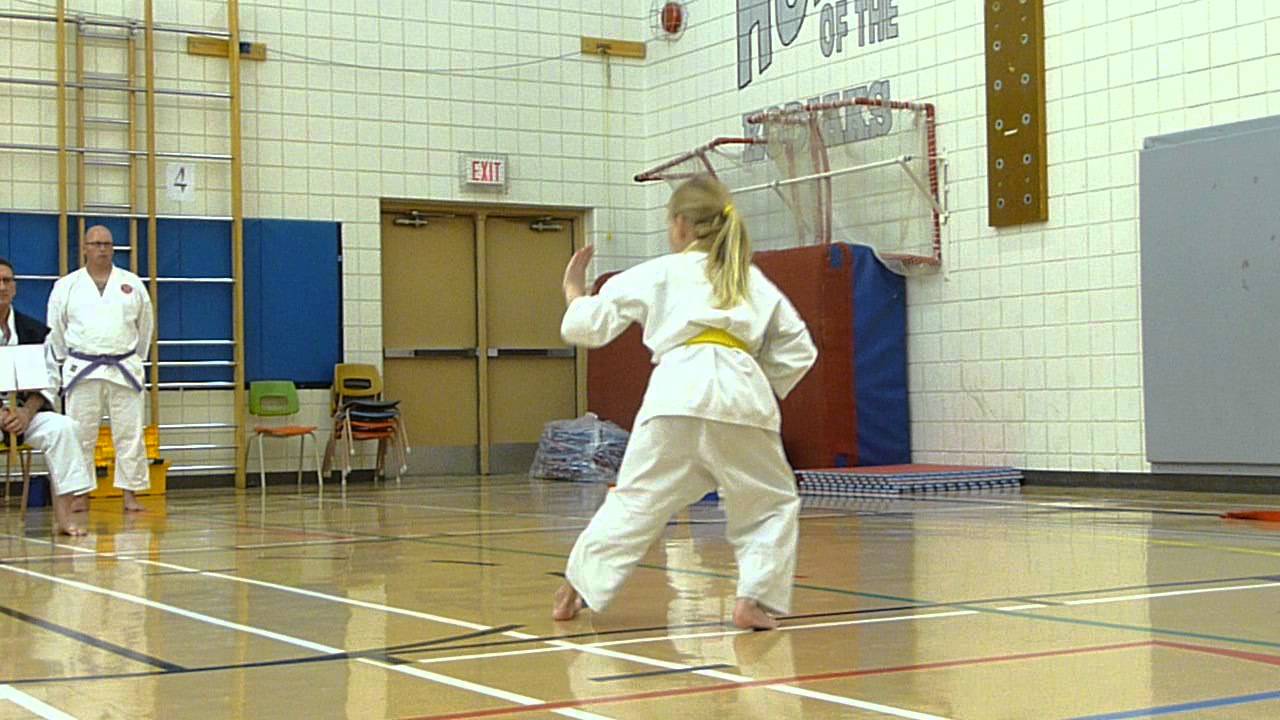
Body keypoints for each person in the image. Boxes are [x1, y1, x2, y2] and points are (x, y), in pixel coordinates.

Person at [553, 175, 818, 630]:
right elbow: (799, 350)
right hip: (742, 393)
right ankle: (753, 598)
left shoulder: (661, 271)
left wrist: (575, 294)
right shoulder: (751, 280)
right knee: (770, 503)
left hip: (676, 391)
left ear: (680, 224)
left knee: (637, 499)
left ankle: (577, 586)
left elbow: (588, 328)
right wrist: (755, 376)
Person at [47, 225, 154, 513]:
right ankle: (81, 493)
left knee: (130, 433)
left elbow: (145, 327)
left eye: (107, 243)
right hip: (83, 366)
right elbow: (55, 329)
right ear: (84, 248)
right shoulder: (66, 286)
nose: (102, 249)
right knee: (80, 435)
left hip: (124, 366)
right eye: (95, 244)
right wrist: (63, 359)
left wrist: (135, 357)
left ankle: (130, 493)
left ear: (113, 248)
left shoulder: (132, 284)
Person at [0, 258, 95, 535]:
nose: (2, 286)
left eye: (7, 280)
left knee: (65, 428)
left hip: (25, 414)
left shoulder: (35, 331)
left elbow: (50, 378)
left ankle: (64, 516)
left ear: (15, 288)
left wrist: (26, 413)